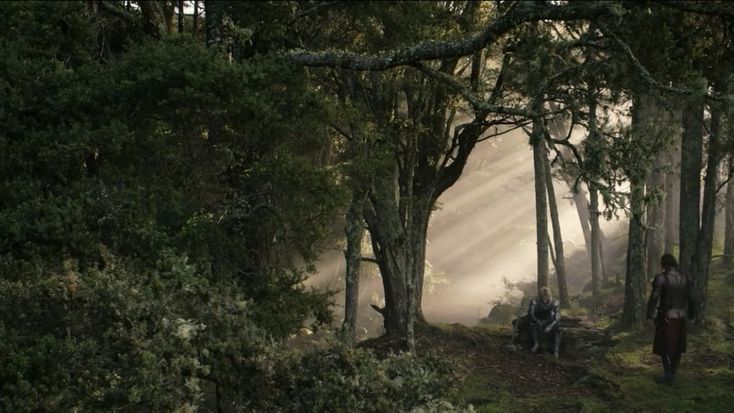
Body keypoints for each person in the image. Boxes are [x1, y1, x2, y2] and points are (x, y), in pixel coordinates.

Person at [646, 253, 695, 385]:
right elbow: (691, 297)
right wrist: (692, 313)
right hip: (681, 316)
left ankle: (669, 376)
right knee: (677, 347)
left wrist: (649, 314)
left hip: (666, 317)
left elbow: (654, 297)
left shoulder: (661, 278)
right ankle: (671, 375)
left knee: (664, 347)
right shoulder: (685, 278)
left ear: (664, 264)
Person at [528, 286, 561, 359]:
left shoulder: (555, 302)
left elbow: (557, 317)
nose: (545, 297)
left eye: (547, 296)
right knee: (532, 324)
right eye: (543, 296)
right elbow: (531, 314)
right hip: (537, 319)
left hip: (550, 321)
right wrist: (538, 321)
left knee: (557, 328)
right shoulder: (534, 301)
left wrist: (550, 326)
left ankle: (556, 350)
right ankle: (536, 344)